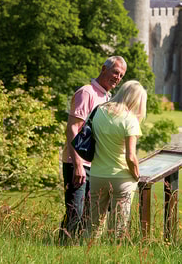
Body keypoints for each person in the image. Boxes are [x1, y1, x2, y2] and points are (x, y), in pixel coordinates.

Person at [60, 56, 127, 242]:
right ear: (103, 69)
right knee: (75, 212)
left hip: (96, 165)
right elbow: (72, 128)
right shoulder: (87, 93)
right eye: (115, 72)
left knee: (90, 216)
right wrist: (78, 164)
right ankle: (60, 249)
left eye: (121, 75)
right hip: (78, 163)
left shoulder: (107, 97)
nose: (118, 77)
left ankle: (78, 252)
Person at [88, 80, 147, 240]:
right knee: (117, 230)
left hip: (97, 175)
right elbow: (131, 157)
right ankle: (113, 256)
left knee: (93, 226)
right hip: (121, 178)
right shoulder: (130, 120)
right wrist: (136, 175)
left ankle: (87, 254)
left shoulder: (98, 111)